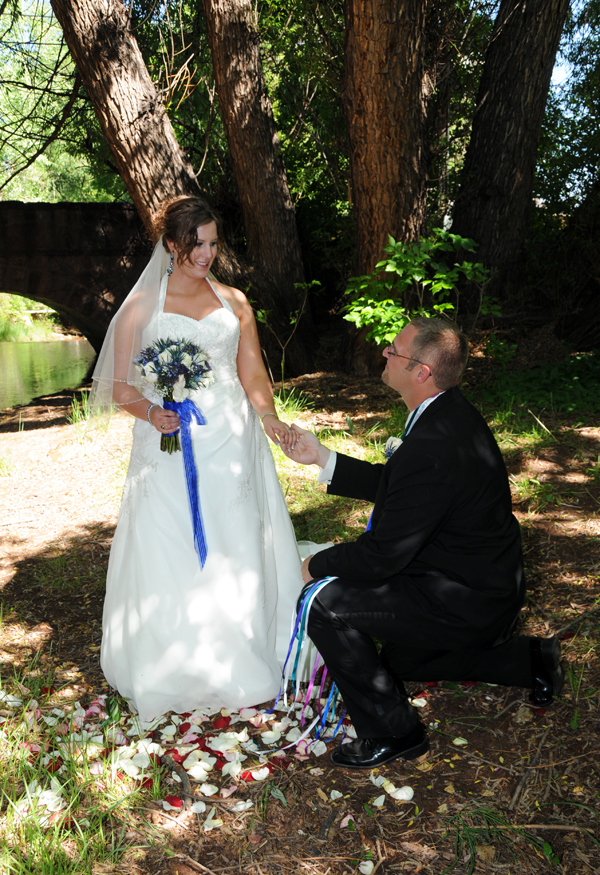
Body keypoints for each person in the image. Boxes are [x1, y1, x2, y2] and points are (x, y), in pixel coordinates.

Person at [280, 317, 564, 769]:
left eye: (394, 351)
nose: (385, 354)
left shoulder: (434, 444)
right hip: (476, 581)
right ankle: (529, 660)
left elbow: (382, 556)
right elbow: (405, 488)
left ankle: (393, 733)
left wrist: (315, 564)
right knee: (397, 658)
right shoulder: (447, 415)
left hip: (469, 597)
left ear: (421, 373)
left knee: (325, 604)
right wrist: (323, 458)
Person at [90, 195, 305, 721]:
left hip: (232, 438)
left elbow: (252, 371)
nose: (208, 253)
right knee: (171, 541)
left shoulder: (234, 301)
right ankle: (173, 658)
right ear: (171, 245)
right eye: (196, 245)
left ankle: (242, 649)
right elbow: (119, 387)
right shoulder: (143, 307)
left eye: (213, 243)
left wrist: (270, 417)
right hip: (168, 444)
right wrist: (151, 412)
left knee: (235, 536)